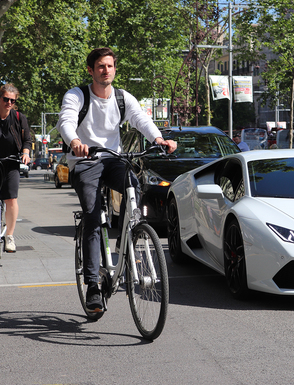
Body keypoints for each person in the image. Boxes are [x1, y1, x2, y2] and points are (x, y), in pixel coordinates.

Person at [57, 47, 177, 313]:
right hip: (86, 161)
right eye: (100, 66)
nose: (106, 70)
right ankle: (92, 286)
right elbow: (65, 120)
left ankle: (130, 232)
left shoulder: (122, 98)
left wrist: (158, 139)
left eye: (110, 66)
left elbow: (140, 119)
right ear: (91, 70)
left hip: (112, 159)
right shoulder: (77, 95)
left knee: (132, 184)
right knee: (91, 215)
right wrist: (75, 141)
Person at [0, 83, 31, 252]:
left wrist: (25, 153)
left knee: (11, 198)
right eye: (5, 99)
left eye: (12, 100)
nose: (9, 103)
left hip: (11, 162)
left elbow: (27, 139)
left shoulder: (19, 118)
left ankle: (9, 236)